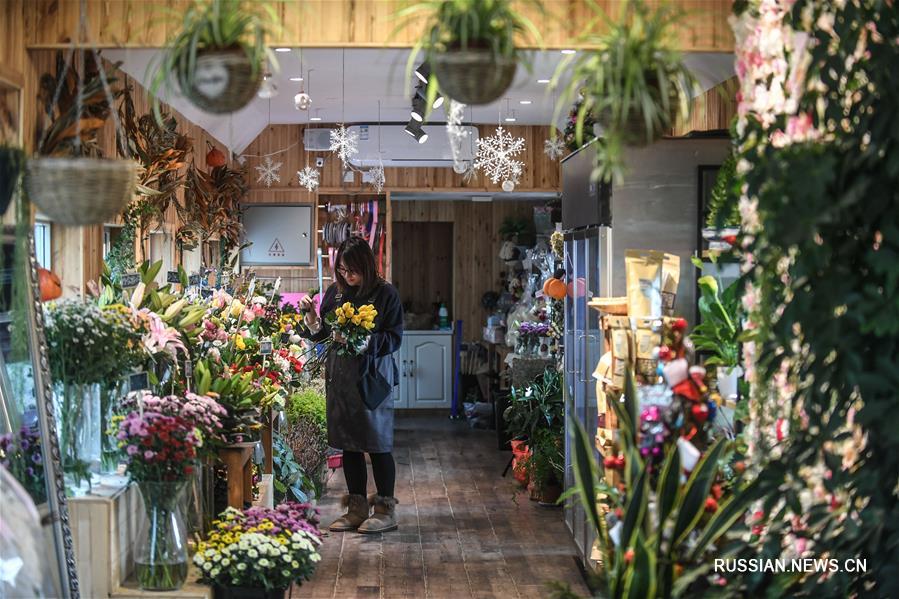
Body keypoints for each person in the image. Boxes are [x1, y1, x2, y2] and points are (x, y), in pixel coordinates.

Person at [300, 235, 403, 533]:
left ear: (367, 266)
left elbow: (394, 339)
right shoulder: (335, 294)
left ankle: (385, 510)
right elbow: (323, 337)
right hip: (341, 379)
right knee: (349, 445)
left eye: (353, 270)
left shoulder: (386, 295)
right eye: (342, 271)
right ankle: (356, 508)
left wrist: (363, 341)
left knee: (377, 443)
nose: (347, 276)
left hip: (372, 379)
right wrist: (311, 320)